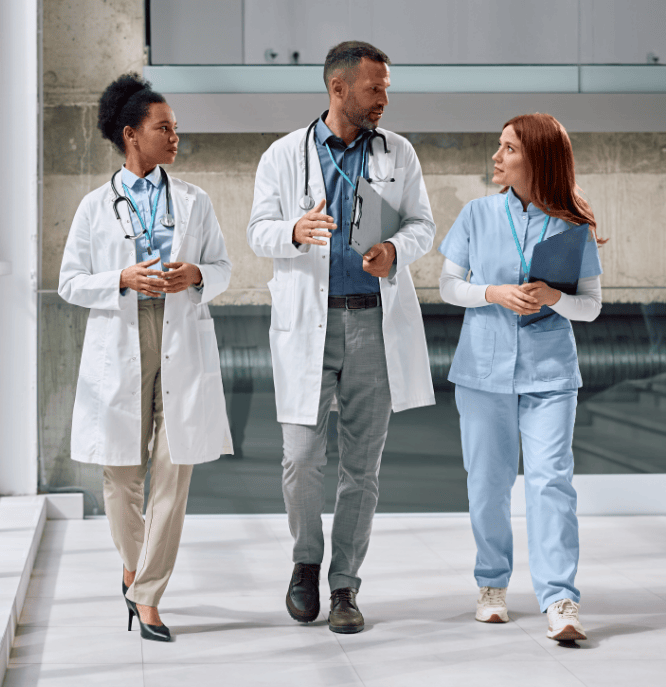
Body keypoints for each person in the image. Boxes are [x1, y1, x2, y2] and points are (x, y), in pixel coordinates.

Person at [247, 41, 436, 634]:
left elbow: (422, 226)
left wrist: (394, 251)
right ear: (339, 89)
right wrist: (295, 232)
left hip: (371, 322)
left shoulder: (398, 153)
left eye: (386, 87)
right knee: (301, 457)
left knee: (363, 466)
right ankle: (306, 561)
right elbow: (257, 232)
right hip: (309, 321)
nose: (384, 98)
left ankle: (345, 585)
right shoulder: (283, 156)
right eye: (374, 87)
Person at [58, 73, 233, 642]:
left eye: (175, 128)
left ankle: (149, 595)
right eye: (164, 128)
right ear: (132, 136)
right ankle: (134, 570)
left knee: (174, 467)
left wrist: (198, 273)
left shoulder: (194, 201)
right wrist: (122, 278)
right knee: (120, 471)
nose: (174, 136)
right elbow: (69, 284)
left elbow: (224, 269)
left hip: (178, 330)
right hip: (121, 332)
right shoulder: (93, 207)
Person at [437, 113, 605, 641]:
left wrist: (556, 298)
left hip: (550, 374)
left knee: (551, 481)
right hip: (481, 372)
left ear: (535, 157)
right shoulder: (476, 215)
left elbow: (592, 308)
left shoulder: (574, 225)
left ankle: (560, 599)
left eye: (507, 148)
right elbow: (447, 286)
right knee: (487, 484)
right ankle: (492, 584)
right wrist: (492, 292)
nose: (497, 156)